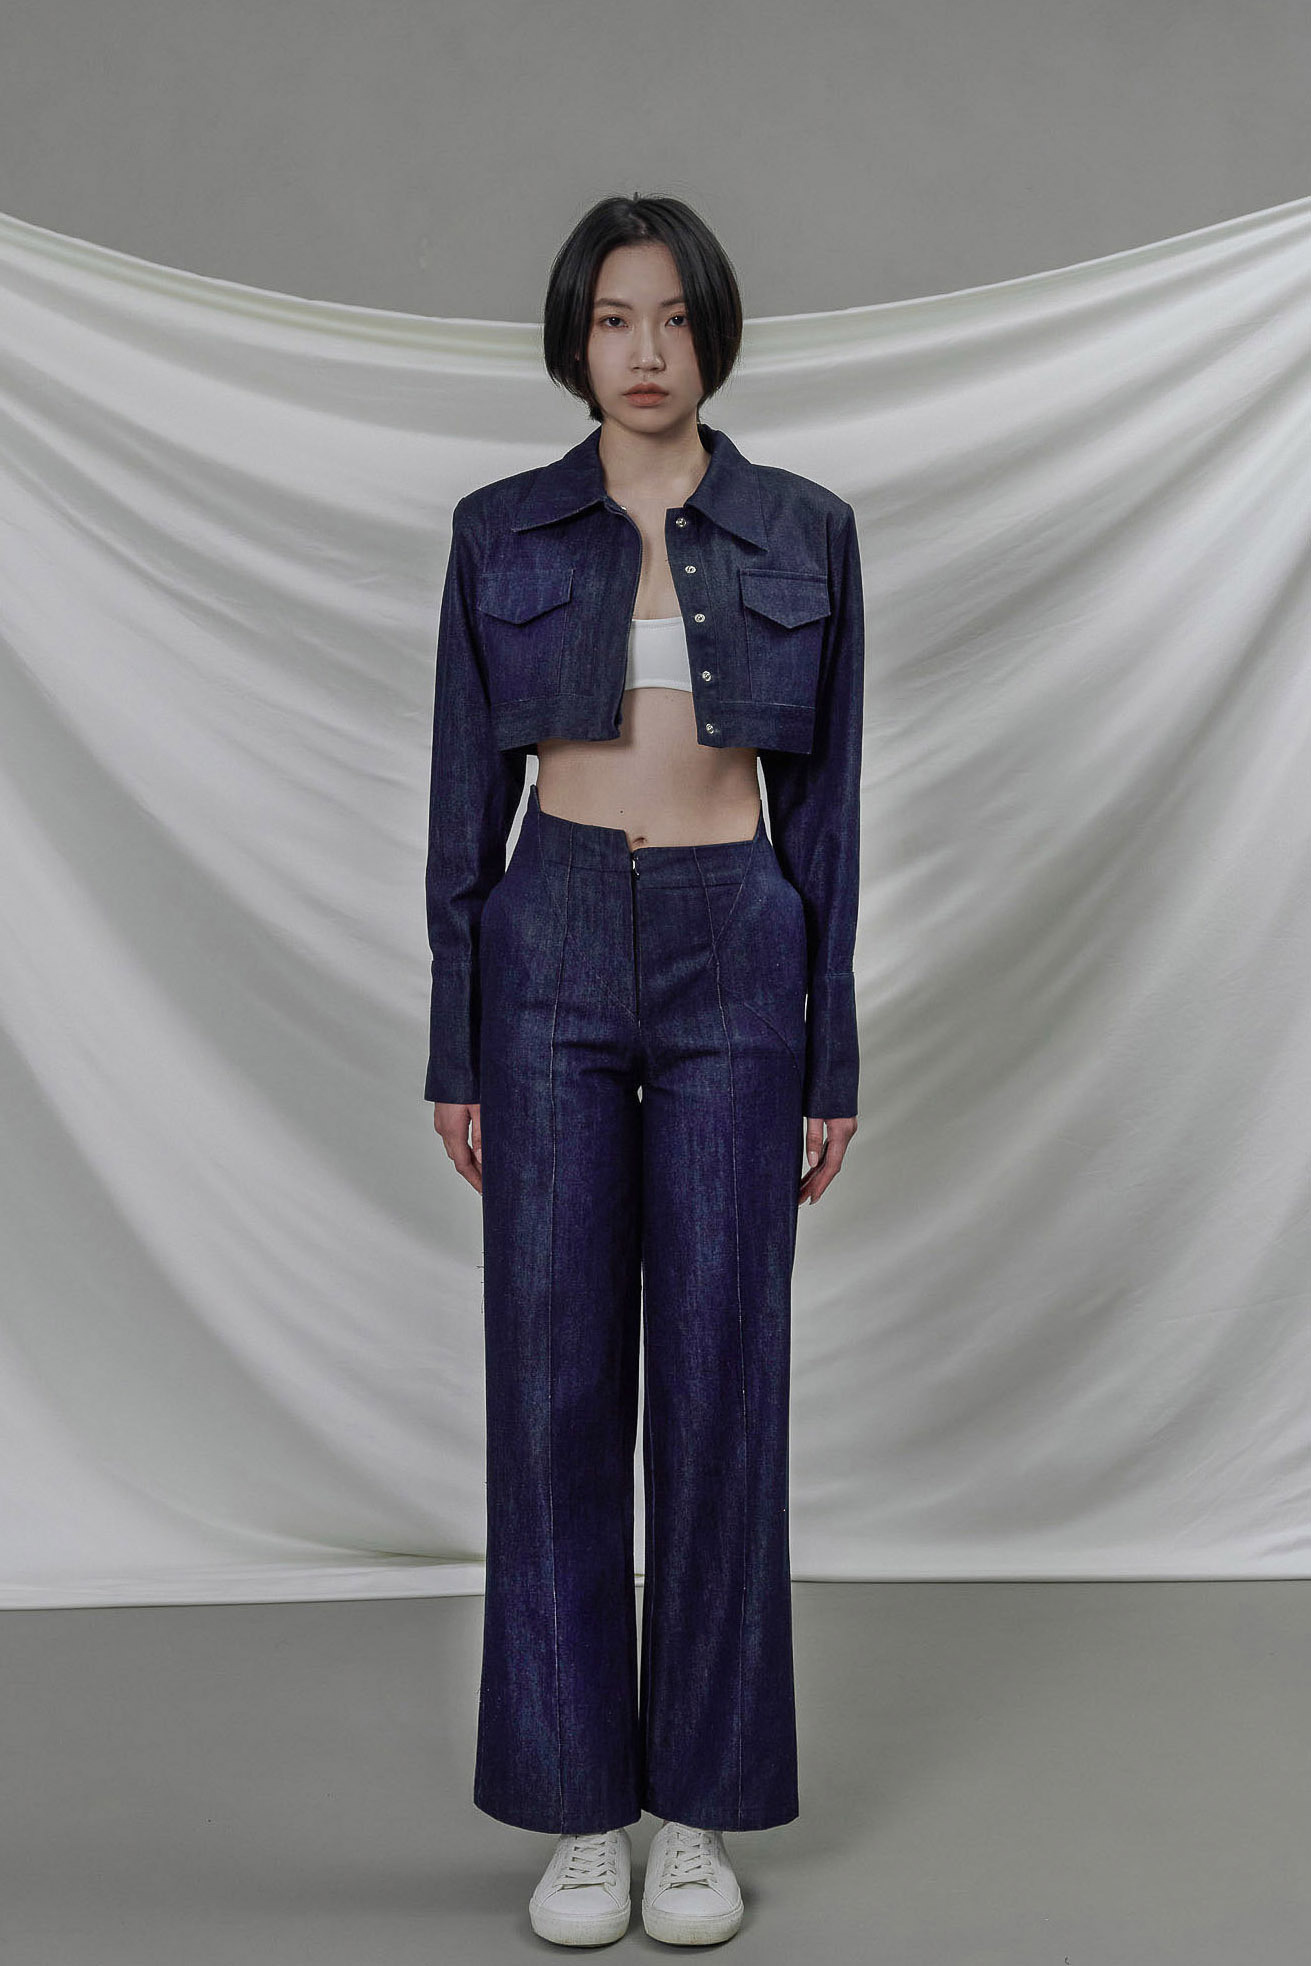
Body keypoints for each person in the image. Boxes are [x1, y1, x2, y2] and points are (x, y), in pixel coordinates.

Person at [424, 192, 864, 1947]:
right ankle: (577, 1811)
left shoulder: (804, 528)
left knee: (721, 1378)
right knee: (550, 1385)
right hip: (546, 949)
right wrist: (457, 1032)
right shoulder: (500, 530)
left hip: (734, 946)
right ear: (575, 338)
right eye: (615, 318)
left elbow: (829, 815)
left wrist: (828, 1041)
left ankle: (696, 1806)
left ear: (713, 332)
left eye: (675, 317)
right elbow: (463, 798)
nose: (648, 351)